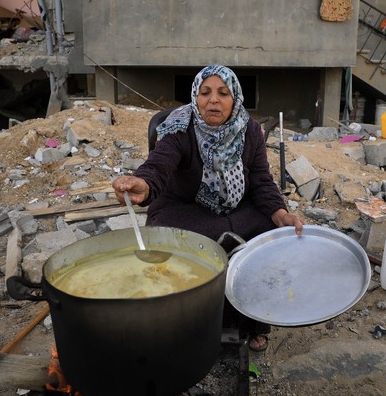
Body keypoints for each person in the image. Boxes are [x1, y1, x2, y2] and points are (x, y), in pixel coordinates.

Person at [113, 65, 303, 352]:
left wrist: (280, 213)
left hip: (238, 208)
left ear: (235, 98)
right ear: (195, 97)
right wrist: (144, 183)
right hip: (184, 207)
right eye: (205, 93)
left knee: (264, 239)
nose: (213, 100)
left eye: (223, 93)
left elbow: (262, 181)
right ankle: (185, 325)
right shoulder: (180, 128)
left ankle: (252, 324)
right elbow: (159, 164)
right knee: (179, 244)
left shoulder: (250, 130)